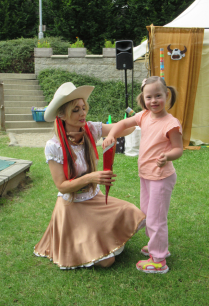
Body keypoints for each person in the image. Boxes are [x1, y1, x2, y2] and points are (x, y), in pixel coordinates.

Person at [33, 82, 146, 269]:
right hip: (73, 205)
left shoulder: (90, 129)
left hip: (94, 198)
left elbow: (126, 129)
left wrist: (134, 119)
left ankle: (100, 234)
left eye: (84, 108)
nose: (83, 113)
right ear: (62, 114)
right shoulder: (54, 146)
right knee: (107, 262)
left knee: (131, 211)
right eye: (76, 110)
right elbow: (61, 186)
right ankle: (88, 237)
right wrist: (91, 178)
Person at [103, 76, 183, 274]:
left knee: (156, 218)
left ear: (167, 95)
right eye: (149, 97)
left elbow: (178, 149)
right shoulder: (144, 116)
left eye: (158, 96)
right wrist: (112, 133)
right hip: (146, 176)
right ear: (143, 98)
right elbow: (122, 123)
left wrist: (167, 156)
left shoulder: (171, 123)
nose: (153, 101)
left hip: (161, 177)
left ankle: (158, 260)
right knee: (148, 215)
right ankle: (156, 245)